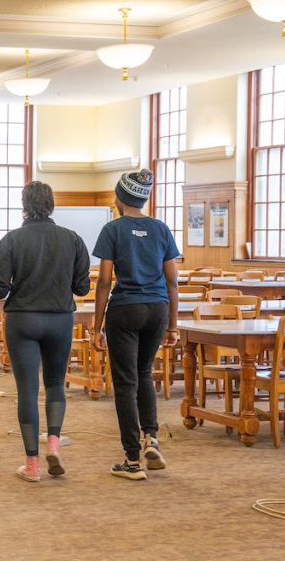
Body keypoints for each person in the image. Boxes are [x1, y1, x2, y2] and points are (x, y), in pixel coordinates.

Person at [0, 181, 91, 482]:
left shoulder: (12, 240)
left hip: (23, 320)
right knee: (56, 383)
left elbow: (1, 287)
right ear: (52, 204)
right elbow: (82, 287)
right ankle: (54, 444)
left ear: (24, 205)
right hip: (60, 319)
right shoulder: (72, 239)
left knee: (28, 390)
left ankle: (32, 466)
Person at [91, 169, 179, 481]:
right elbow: (172, 281)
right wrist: (173, 326)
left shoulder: (112, 230)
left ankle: (131, 460)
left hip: (125, 311)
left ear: (119, 198)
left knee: (125, 383)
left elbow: (103, 283)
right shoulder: (161, 228)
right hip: (158, 309)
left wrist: (96, 326)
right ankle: (151, 438)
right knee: (144, 374)